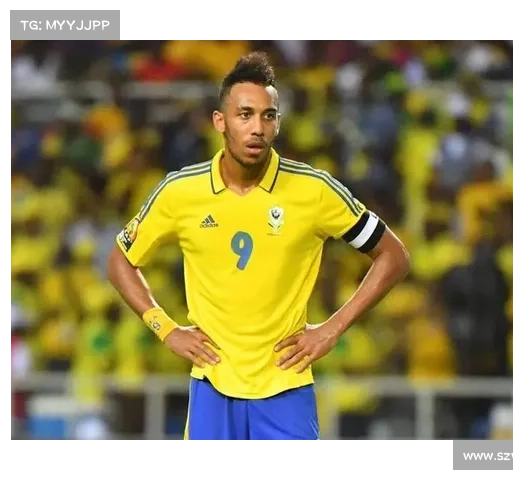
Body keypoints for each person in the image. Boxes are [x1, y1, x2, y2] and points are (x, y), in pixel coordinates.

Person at [107, 51, 410, 440]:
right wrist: (165, 329)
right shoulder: (180, 192)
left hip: (286, 384)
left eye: (268, 116)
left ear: (278, 123)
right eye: (245, 115)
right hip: (212, 384)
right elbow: (120, 260)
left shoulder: (314, 191)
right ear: (220, 121)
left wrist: (332, 330)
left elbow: (393, 255)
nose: (257, 128)